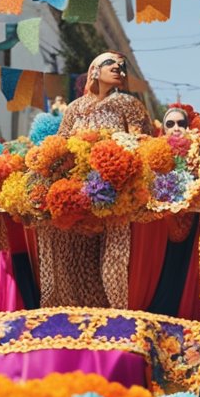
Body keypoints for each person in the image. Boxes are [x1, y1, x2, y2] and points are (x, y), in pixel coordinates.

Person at [38, 52, 153, 310]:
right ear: (94, 71)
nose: (118, 69)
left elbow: (143, 142)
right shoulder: (75, 108)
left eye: (122, 66)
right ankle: (68, 315)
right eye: (110, 63)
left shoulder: (128, 104)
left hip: (113, 193)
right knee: (71, 256)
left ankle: (112, 319)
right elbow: (59, 144)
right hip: (76, 195)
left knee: (112, 261)